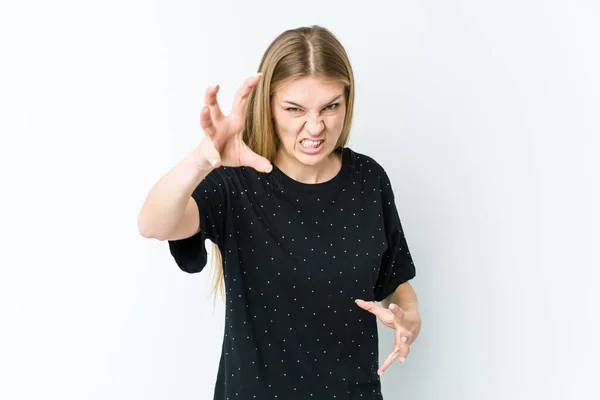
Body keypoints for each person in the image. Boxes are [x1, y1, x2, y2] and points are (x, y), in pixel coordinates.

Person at [138, 25, 421, 400]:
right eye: (295, 109)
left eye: (330, 106)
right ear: (268, 105)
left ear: (347, 100)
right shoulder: (235, 184)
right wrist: (199, 161)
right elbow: (153, 225)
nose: (316, 126)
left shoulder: (369, 179)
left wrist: (409, 317)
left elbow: (394, 282)